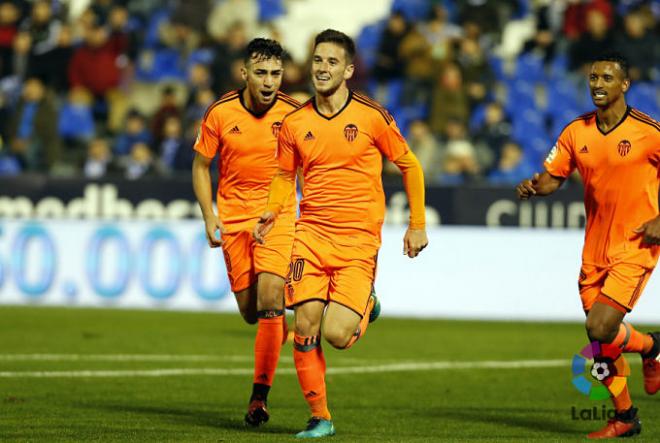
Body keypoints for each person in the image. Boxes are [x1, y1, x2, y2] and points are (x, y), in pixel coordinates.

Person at [253, 29, 428, 438]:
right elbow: (283, 175)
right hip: (310, 237)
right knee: (304, 327)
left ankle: (366, 305)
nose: (322, 69)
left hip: (357, 242)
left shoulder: (372, 116)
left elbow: (410, 166)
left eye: (332, 62)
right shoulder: (295, 122)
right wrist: (272, 210)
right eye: (317, 60)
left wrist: (417, 223)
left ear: (348, 70)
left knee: (335, 334)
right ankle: (320, 417)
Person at [516, 52, 660, 439]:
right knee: (602, 338)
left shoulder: (649, 132)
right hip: (594, 247)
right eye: (593, 77)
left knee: (598, 328)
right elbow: (553, 177)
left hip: (636, 244)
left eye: (607, 78)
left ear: (625, 85)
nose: (597, 84)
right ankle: (639, 379)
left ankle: (639, 382)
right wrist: (536, 186)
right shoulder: (576, 132)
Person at [192, 38, 300, 427]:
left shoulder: (293, 113)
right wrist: (209, 215)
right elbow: (201, 165)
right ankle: (303, 297)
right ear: (245, 74)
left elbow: (313, 163)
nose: (269, 81)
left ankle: (259, 397)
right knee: (251, 312)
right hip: (235, 220)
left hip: (277, 216)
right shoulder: (220, 112)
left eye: (275, 73)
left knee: (272, 296)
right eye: (261, 73)